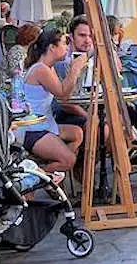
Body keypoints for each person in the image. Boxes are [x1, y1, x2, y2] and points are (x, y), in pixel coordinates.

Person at [22, 29, 89, 174]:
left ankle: (57, 169)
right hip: (33, 129)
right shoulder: (40, 69)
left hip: (46, 124)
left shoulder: (49, 68)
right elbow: (63, 93)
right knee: (69, 160)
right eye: (64, 44)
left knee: (77, 133)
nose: (67, 48)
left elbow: (64, 94)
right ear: (52, 47)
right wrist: (75, 69)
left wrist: (76, 72)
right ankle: (40, 175)